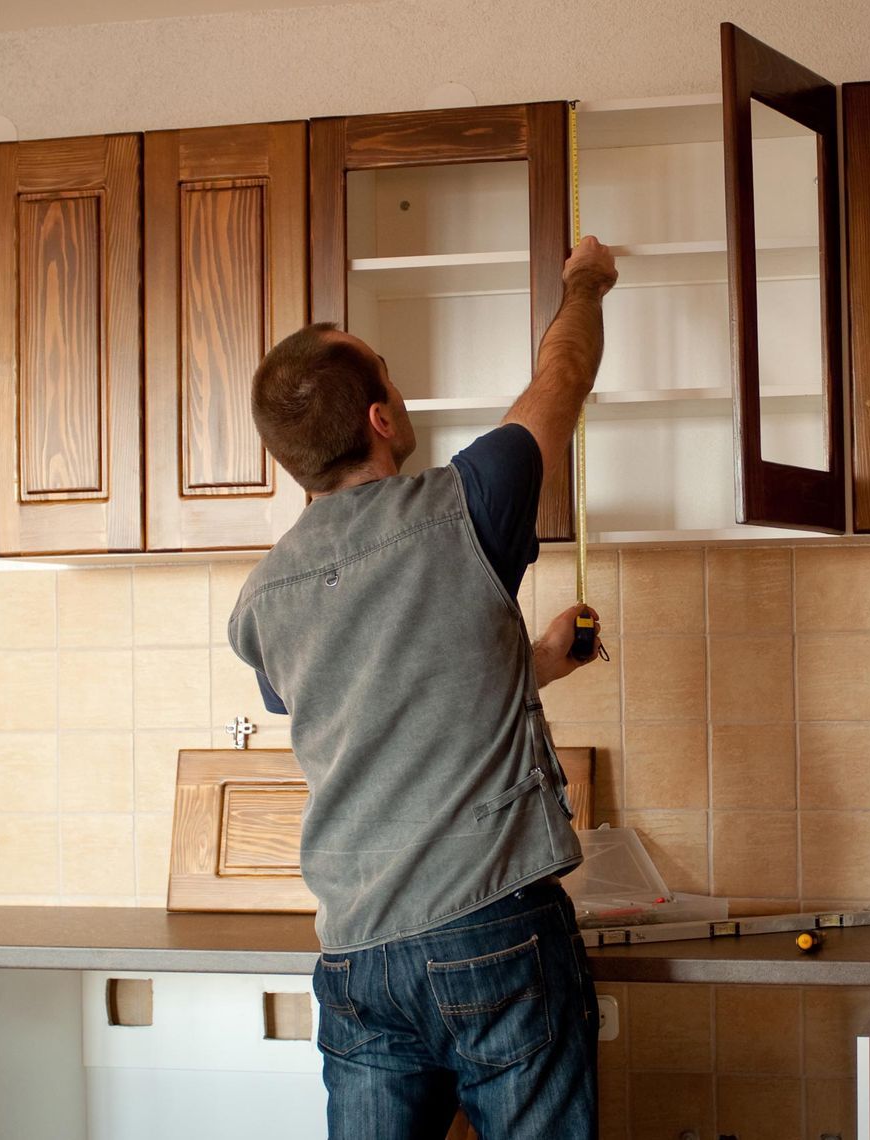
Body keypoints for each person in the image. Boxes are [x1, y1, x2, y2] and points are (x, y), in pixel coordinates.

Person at [228, 236, 620, 1137]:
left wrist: (539, 667)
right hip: (494, 934)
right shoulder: (468, 504)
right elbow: (561, 379)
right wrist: (586, 284)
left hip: (358, 962)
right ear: (380, 419)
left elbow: (379, 700)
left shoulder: (261, 602)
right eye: (391, 382)